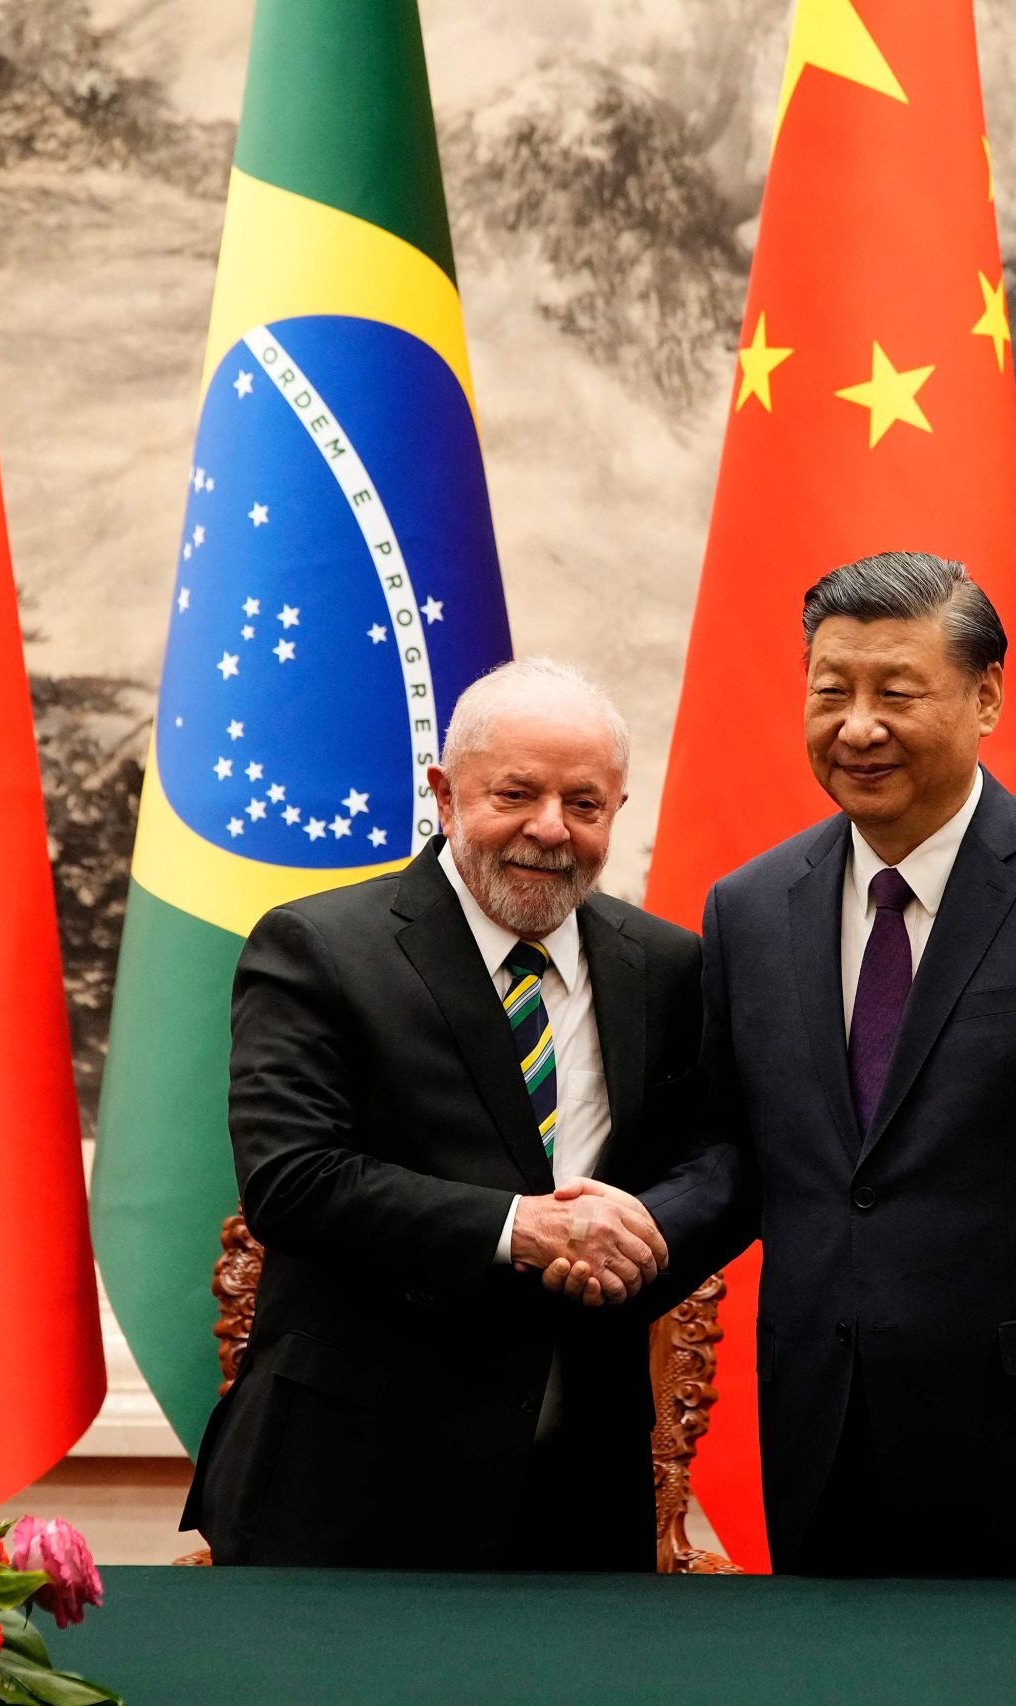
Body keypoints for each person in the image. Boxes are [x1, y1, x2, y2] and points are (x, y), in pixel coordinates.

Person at [622, 550, 1016, 1579]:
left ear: (987, 694)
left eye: (894, 692)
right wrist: (626, 1234)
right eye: (831, 691)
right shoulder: (751, 905)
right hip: (823, 1431)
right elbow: (741, 1151)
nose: (856, 725)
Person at [184, 659, 698, 1570]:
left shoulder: (668, 965)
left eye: (584, 804)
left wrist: (641, 1239)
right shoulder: (319, 948)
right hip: (352, 1487)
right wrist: (519, 1229)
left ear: (618, 812)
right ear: (445, 793)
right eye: (516, 793)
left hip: (578, 1495)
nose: (550, 828)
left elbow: (716, 1160)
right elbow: (291, 1180)